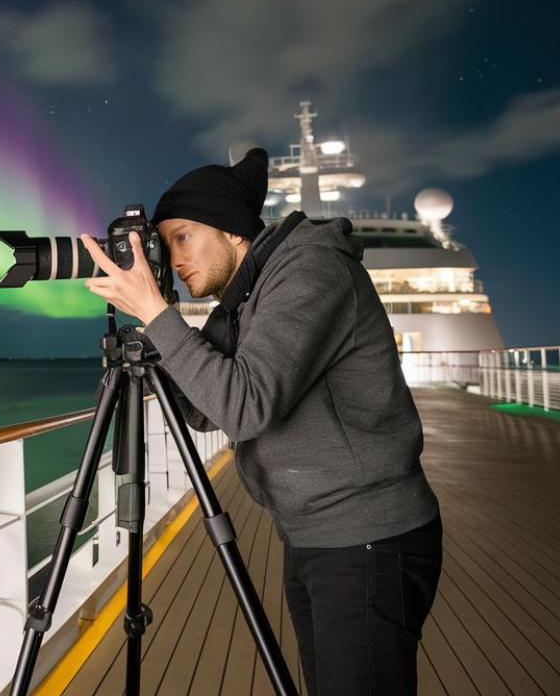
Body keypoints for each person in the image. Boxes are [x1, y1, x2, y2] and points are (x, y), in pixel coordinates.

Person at [78, 148, 442, 696]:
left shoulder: (311, 270)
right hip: (315, 535)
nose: (173, 259)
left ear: (232, 231)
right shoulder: (245, 298)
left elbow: (244, 407)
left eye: (183, 237)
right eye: (166, 244)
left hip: (369, 536)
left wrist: (157, 314)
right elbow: (206, 409)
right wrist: (151, 345)